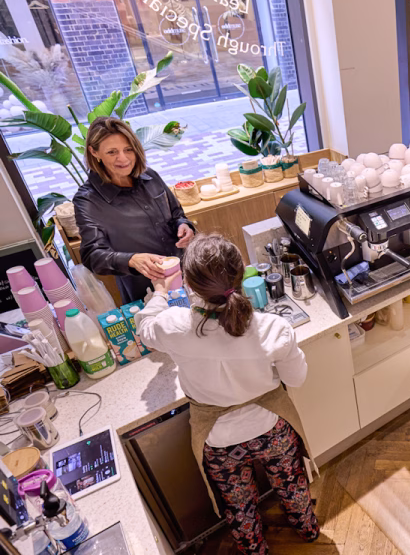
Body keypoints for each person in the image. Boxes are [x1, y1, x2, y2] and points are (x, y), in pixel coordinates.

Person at [135, 233, 319, 553]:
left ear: (190, 286)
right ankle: (308, 529)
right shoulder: (273, 327)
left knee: (239, 506)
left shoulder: (175, 327)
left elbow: (145, 329)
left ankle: (253, 549)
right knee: (291, 484)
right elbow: (298, 378)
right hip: (271, 427)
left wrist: (160, 294)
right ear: (241, 273)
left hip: (218, 440)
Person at [73, 117, 195, 303]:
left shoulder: (150, 176)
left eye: (128, 149)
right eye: (112, 152)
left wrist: (184, 225)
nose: (123, 158)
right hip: (145, 290)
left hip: (185, 273)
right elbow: (92, 255)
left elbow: (176, 214)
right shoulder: (88, 200)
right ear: (94, 152)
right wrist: (131, 260)